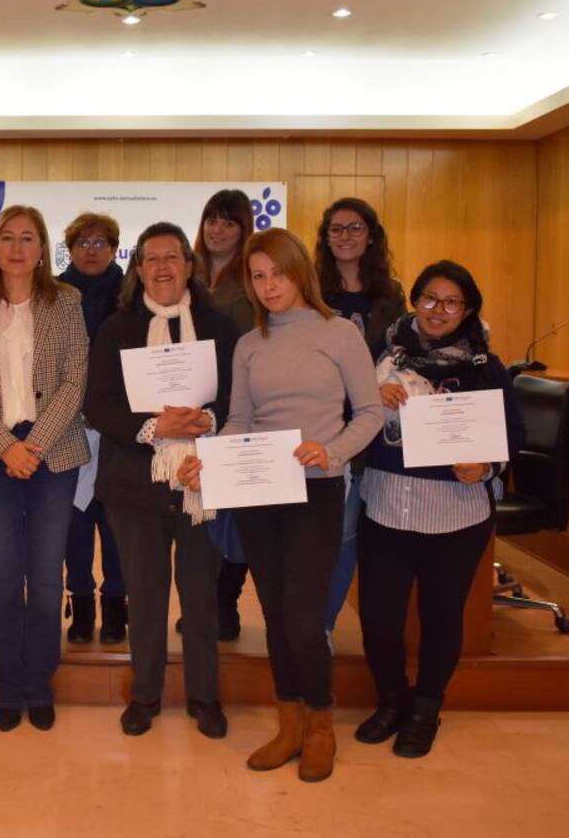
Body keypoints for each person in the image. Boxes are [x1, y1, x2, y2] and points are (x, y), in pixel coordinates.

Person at [180, 227, 383, 782]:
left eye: (279, 273)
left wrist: (332, 451)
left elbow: (370, 412)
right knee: (273, 612)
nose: (269, 286)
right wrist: (208, 458)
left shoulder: (339, 333)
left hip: (317, 489)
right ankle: (288, 723)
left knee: (303, 616)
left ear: (301, 273)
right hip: (260, 490)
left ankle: (320, 726)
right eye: (258, 276)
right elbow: (241, 421)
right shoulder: (250, 344)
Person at [355, 260, 523, 758]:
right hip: (386, 505)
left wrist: (487, 466)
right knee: (379, 618)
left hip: (456, 512)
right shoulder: (382, 353)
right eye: (429, 298)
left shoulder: (485, 367)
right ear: (415, 300)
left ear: (467, 310)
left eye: (451, 302)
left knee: (442, 616)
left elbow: (514, 434)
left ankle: (426, 709)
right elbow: (348, 414)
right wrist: (370, 398)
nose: (438, 310)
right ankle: (392, 701)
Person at [85, 222, 237, 739]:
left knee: (201, 598)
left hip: (202, 480)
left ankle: (205, 696)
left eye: (172, 256)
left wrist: (209, 420)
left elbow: (239, 396)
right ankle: (145, 695)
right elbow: (98, 405)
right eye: (151, 258)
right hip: (134, 486)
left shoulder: (221, 326)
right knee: (145, 596)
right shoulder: (116, 329)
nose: (162, 267)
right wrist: (155, 427)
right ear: (138, 270)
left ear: (190, 266)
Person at [0, 204, 90, 732]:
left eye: (27, 238)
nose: (16, 247)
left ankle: (40, 684)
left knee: (47, 578)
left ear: (41, 249)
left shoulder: (67, 301)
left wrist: (33, 446)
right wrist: (7, 447)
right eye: (7, 237)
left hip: (52, 451)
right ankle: (9, 685)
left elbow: (75, 379)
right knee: (3, 575)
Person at [314, 198, 407, 641]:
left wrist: (378, 386)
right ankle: (310, 623)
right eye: (336, 229)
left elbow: (400, 355)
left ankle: (324, 625)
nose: (345, 236)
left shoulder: (391, 294)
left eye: (355, 228)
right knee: (326, 533)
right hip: (323, 423)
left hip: (371, 430)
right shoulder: (311, 290)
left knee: (349, 534)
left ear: (371, 236)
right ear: (325, 237)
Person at [56, 212, 127, 645]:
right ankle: (80, 602)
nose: (91, 250)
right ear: (69, 250)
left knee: (117, 525)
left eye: (100, 242)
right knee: (74, 525)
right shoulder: (53, 294)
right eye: (82, 243)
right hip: (67, 429)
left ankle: (117, 604)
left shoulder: (133, 294)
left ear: (115, 248)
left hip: (119, 430)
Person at [192, 189, 256, 641]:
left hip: (237, 407)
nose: (217, 229)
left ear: (243, 229)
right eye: (211, 220)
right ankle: (201, 602)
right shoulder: (187, 272)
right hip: (189, 409)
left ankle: (225, 602)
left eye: (228, 222)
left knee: (233, 514)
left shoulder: (252, 279)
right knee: (199, 514)